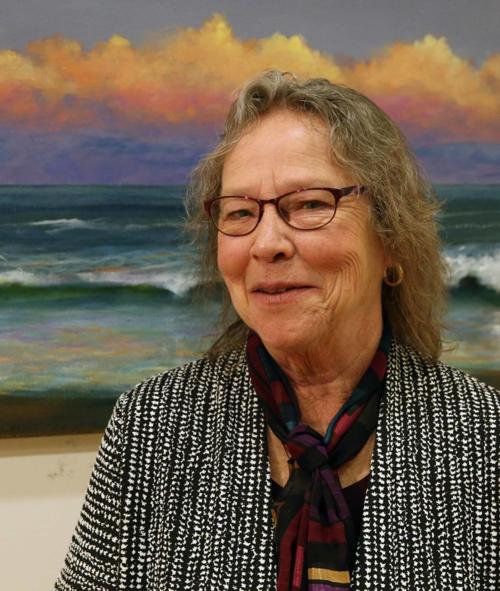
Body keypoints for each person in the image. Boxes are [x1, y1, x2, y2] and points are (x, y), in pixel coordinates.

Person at [54, 71, 498, 590]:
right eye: (241, 211)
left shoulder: (484, 438)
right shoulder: (151, 427)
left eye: (310, 204)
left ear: (392, 237)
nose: (266, 244)